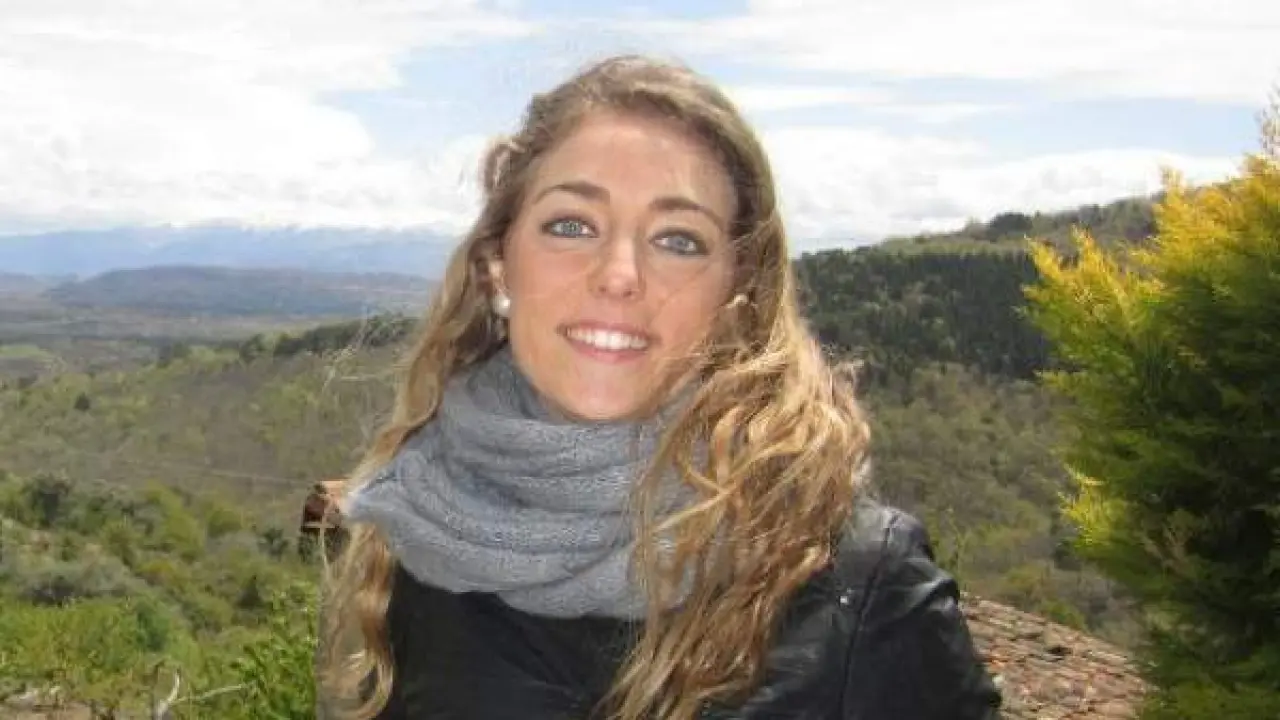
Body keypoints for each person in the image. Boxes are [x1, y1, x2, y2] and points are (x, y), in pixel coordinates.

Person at [315, 54, 1002, 719]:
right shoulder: (423, 522)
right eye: (571, 226)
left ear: (738, 289)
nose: (620, 274)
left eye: (678, 240)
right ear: (499, 265)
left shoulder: (858, 587)